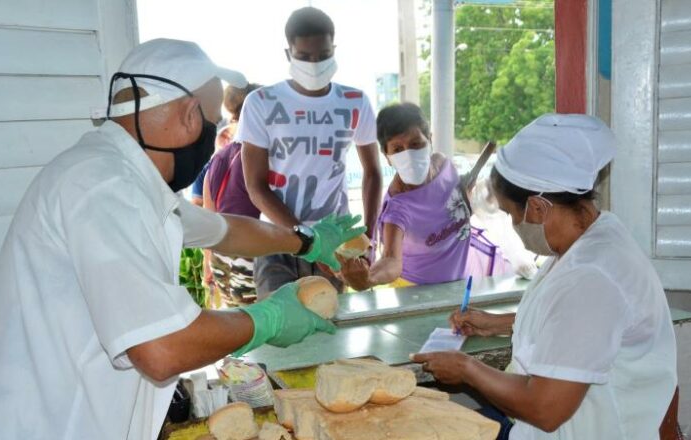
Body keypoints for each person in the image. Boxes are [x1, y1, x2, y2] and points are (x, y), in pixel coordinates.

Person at [0, 39, 365, 440]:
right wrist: (267, 319)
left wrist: (304, 243)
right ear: (191, 116)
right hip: (25, 425)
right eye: (213, 123)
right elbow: (163, 347)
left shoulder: (126, 178)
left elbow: (227, 231)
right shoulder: (102, 186)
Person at [412, 114, 677, 439]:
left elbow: (545, 409)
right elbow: (578, 324)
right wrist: (499, 322)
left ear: (537, 208)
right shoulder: (594, 234)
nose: (513, 224)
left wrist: (467, 368)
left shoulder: (591, 276)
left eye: (511, 213)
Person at [238, 6, 383, 298]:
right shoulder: (261, 102)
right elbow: (255, 186)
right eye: (304, 57)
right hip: (276, 240)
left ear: (334, 49)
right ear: (288, 53)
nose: (315, 64)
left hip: (334, 241)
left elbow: (373, 174)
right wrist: (307, 240)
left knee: (329, 328)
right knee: (280, 330)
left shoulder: (355, 101)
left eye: (324, 55)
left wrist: (367, 238)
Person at [339, 103, 503, 290]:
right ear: (387, 156)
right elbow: (391, 260)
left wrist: (472, 198)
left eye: (416, 144)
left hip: (462, 280)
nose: (409, 154)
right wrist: (369, 279)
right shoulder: (398, 207)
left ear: (430, 141)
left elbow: (456, 208)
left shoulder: (444, 167)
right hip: (416, 294)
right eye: (398, 149)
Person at [203, 83, 263, 306]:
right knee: (264, 331)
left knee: (238, 328)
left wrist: (208, 263)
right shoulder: (261, 154)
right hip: (250, 261)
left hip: (222, 262)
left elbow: (208, 215)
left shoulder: (220, 155)